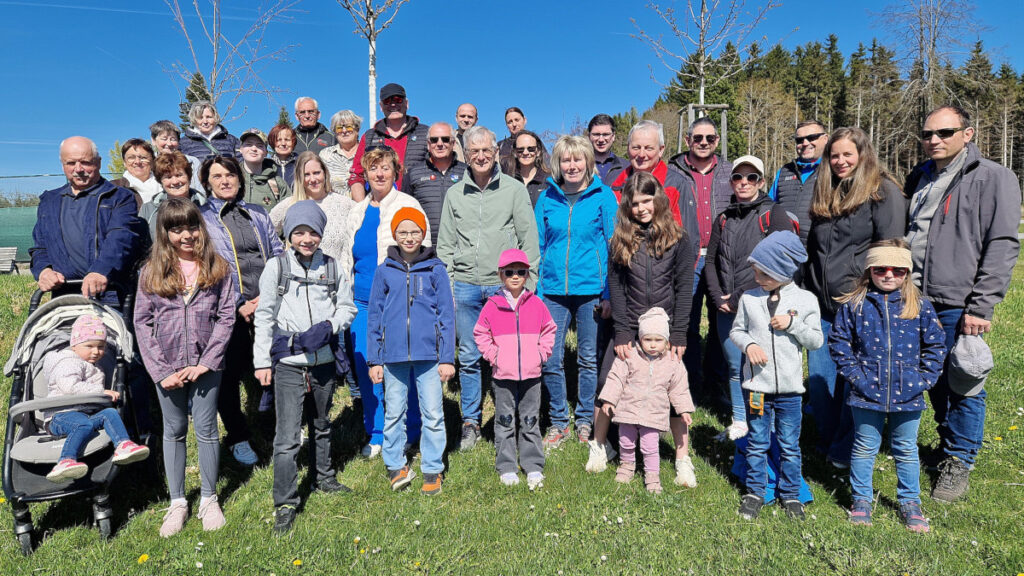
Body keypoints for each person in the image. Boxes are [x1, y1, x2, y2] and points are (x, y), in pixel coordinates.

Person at [904, 105, 1022, 502]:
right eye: (927, 134)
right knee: (933, 379)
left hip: (959, 300)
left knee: (965, 383)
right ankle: (947, 443)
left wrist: (981, 304)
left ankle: (959, 461)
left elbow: (1003, 243)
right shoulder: (919, 176)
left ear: (967, 134)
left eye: (945, 132)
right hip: (917, 297)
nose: (934, 140)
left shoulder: (993, 178)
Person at [253, 200, 358, 533]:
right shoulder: (277, 268)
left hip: (324, 361)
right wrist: (261, 362)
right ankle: (285, 501)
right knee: (286, 438)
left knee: (323, 423)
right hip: (288, 363)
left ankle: (323, 478)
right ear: (289, 234)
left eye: (313, 232)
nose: (307, 238)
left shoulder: (331, 267)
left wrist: (330, 326)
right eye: (299, 232)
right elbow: (264, 316)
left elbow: (348, 307)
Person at [805, 126, 906, 469]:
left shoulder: (882, 192)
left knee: (855, 385)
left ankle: (846, 449)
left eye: (848, 154)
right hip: (821, 305)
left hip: (859, 306)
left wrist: (876, 296)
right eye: (834, 155)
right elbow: (813, 251)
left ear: (863, 154)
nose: (840, 161)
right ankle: (830, 440)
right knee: (820, 386)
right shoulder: (826, 192)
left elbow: (891, 250)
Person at [586, 172, 695, 488]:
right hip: (630, 326)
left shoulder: (678, 239)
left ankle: (682, 458)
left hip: (664, 331)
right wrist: (621, 332)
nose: (642, 208)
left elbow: (684, 287)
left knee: (673, 393)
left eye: (647, 200)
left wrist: (678, 333)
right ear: (627, 206)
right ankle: (599, 445)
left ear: (658, 199)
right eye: (635, 203)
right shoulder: (620, 240)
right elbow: (616, 289)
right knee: (608, 382)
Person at [134, 198, 236, 537]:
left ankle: (208, 498)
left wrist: (207, 362)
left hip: (208, 366)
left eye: (192, 226)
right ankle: (178, 501)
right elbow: (142, 323)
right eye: (176, 229)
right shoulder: (151, 272)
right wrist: (161, 371)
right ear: (165, 233)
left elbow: (226, 317)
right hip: (168, 367)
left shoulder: (218, 267)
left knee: (206, 429)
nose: (186, 235)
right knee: (173, 430)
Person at [829, 240, 946, 533]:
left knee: (906, 448)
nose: (889, 275)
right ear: (870, 271)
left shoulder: (919, 306)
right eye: (881, 269)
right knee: (865, 447)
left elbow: (936, 345)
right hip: (866, 393)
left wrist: (923, 380)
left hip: (909, 395)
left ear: (907, 273)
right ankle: (861, 501)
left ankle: (910, 503)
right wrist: (857, 378)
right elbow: (839, 343)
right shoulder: (854, 305)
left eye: (897, 270)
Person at [436, 125, 540, 451]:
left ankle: (506, 420)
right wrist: (447, 288)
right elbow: (445, 246)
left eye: (486, 150)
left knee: (505, 356)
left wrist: (528, 285)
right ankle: (470, 421)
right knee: (468, 356)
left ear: (496, 153)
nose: (480, 156)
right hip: (466, 286)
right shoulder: (455, 194)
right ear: (465, 155)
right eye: (473, 151)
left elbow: (529, 240)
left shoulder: (512, 190)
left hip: (504, 288)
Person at [341, 146, 429, 459]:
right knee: (368, 367)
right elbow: (346, 257)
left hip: (398, 301)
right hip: (362, 303)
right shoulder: (357, 211)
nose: (379, 174)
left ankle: (412, 428)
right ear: (365, 174)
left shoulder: (408, 204)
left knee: (405, 365)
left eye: (386, 168)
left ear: (395, 172)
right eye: (373, 168)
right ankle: (376, 431)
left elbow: (424, 254)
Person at [730, 231, 823, 521]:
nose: (758, 279)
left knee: (789, 443)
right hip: (757, 387)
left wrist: (793, 324)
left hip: (791, 392)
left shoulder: (806, 300)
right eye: (756, 272)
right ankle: (756, 491)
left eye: (764, 274)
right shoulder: (749, 298)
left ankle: (791, 493)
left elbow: (816, 340)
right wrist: (750, 345)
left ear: (783, 271)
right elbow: (736, 331)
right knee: (757, 441)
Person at [534, 135, 617, 448]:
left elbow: (614, 247)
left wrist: (608, 292)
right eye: (566, 160)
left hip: (591, 290)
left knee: (587, 359)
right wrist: (539, 290)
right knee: (549, 358)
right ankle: (558, 421)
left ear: (588, 162)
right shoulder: (547, 198)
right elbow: (539, 246)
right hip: (552, 290)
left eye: (577, 159)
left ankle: (584, 419)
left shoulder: (603, 196)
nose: (571, 165)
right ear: (558, 163)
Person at [366, 208, 454, 495]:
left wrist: (447, 358)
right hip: (392, 357)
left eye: (415, 231)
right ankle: (395, 465)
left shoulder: (435, 269)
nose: (409, 237)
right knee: (394, 413)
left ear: (423, 234)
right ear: (394, 235)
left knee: (433, 413)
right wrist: (374, 358)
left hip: (429, 356)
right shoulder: (384, 270)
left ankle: (432, 468)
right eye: (403, 232)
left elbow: (446, 315)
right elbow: (375, 316)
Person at [704, 155, 793, 440]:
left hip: (761, 305)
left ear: (761, 182)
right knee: (734, 365)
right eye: (738, 177)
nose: (744, 182)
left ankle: (769, 423)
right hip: (726, 307)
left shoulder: (773, 214)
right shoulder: (723, 217)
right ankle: (740, 421)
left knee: (762, 365)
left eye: (751, 177)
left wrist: (740, 294)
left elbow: (784, 261)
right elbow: (710, 261)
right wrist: (718, 296)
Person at [199, 155, 284, 445]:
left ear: (239, 178)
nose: (225, 181)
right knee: (229, 373)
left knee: (276, 364)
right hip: (226, 307)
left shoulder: (258, 213)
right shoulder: (203, 218)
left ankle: (275, 424)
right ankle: (238, 436)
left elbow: (277, 253)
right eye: (217, 176)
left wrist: (267, 295)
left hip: (267, 301)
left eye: (230, 175)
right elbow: (205, 264)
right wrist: (238, 302)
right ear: (207, 183)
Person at [473, 249, 557, 490]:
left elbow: (549, 330)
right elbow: (480, 333)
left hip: (532, 375)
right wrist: (494, 356)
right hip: (503, 376)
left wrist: (541, 354)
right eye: (510, 272)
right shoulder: (492, 305)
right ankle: (507, 466)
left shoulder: (537, 304)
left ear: (527, 275)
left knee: (530, 420)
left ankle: (533, 465)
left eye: (521, 272)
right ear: (501, 275)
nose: (516, 276)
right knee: (505, 421)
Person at [31, 136, 145, 305]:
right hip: (64, 296)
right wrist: (44, 270)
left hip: (110, 294)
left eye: (85, 162)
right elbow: (40, 246)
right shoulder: (49, 201)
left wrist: (101, 271)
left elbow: (121, 238)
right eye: (71, 163)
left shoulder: (119, 197)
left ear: (98, 163)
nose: (78, 169)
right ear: (62, 165)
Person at [668, 117, 733, 407]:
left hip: (721, 259)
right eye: (698, 138)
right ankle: (690, 383)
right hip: (687, 257)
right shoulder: (674, 171)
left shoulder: (730, 172)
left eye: (709, 138)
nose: (703, 143)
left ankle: (717, 381)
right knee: (687, 323)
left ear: (717, 140)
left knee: (723, 322)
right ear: (687, 140)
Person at [42, 314, 150, 483]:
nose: (96, 351)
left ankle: (123, 445)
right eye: (89, 345)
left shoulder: (92, 365)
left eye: (101, 346)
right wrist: (101, 391)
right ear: (74, 345)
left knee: (109, 413)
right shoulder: (68, 361)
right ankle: (65, 461)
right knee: (82, 425)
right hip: (61, 415)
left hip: (83, 413)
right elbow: (69, 386)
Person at [599, 307, 694, 494]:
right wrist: (609, 400)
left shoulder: (672, 361)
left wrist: (683, 410)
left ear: (666, 341)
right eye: (647, 339)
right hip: (628, 409)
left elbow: (679, 388)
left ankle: (652, 475)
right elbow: (616, 377)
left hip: (654, 412)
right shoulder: (630, 356)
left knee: (650, 446)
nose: (652, 345)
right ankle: (627, 466)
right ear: (639, 338)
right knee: (626, 441)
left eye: (658, 340)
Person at [608, 120, 699, 262]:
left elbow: (689, 240)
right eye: (636, 147)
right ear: (628, 148)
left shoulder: (676, 185)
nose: (641, 154)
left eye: (649, 148)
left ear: (661, 150)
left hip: (665, 275)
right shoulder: (615, 186)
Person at [348, 83, 430, 197]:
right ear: (381, 106)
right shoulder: (369, 136)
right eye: (387, 101)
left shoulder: (426, 133)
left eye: (398, 100)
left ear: (406, 103)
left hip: (416, 204)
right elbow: (357, 175)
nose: (393, 104)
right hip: (379, 205)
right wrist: (362, 207)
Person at [402, 122, 467, 245]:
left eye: (446, 139)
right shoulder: (413, 173)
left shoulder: (467, 173)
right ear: (428, 144)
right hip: (424, 247)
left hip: (460, 247)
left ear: (453, 143)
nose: (440, 144)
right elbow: (404, 210)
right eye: (434, 140)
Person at [768, 120, 828, 244]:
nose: (805, 143)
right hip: (785, 251)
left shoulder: (833, 170)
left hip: (820, 252)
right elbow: (768, 208)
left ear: (825, 139)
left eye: (812, 138)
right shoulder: (784, 172)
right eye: (799, 140)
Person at [139, 151, 207, 238]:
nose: (175, 182)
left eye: (179, 175)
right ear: (161, 181)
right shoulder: (148, 210)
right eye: (168, 177)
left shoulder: (206, 206)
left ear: (189, 177)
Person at [239, 128, 289, 210]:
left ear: (266, 152)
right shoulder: (231, 179)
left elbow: (288, 213)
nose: (254, 149)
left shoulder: (277, 183)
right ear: (241, 149)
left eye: (259, 145)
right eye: (249, 144)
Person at [150, 120, 203, 191]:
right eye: (164, 139)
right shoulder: (149, 164)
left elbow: (200, 190)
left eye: (173, 139)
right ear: (153, 140)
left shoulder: (192, 162)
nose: (169, 143)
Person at [501, 129, 550, 206]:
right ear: (515, 152)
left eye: (531, 149)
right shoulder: (507, 180)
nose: (525, 153)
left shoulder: (549, 181)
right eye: (520, 149)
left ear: (538, 152)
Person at [319, 110, 362, 197]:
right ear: (334, 132)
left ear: (357, 129)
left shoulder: (368, 153)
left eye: (349, 127)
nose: (344, 131)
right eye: (339, 128)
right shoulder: (325, 155)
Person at [111, 139, 161, 205]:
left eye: (143, 157)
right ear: (124, 163)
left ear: (152, 161)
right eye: (131, 157)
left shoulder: (165, 185)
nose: (137, 162)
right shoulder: (113, 188)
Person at [588, 114, 629, 185]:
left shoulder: (627, 167)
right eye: (596, 134)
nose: (601, 139)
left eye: (605, 134)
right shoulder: (581, 166)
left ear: (613, 136)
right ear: (589, 136)